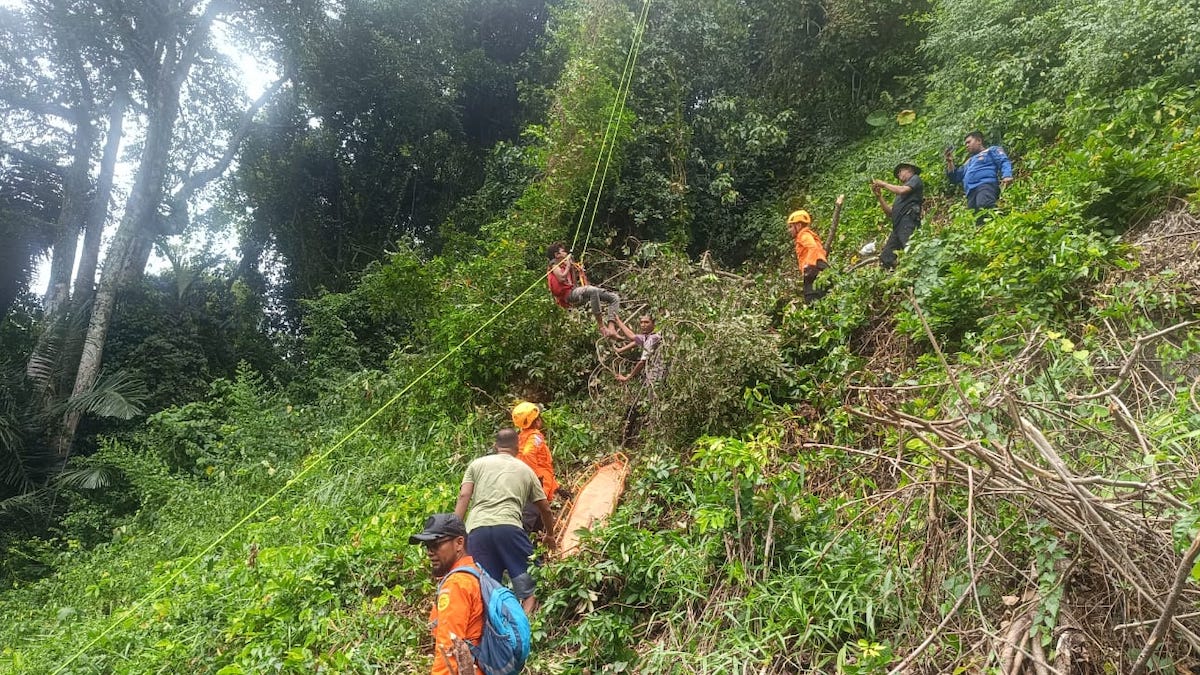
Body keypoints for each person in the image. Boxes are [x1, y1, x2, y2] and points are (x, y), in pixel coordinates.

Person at [454, 428, 555, 613]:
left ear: (495, 446)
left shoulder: (477, 465)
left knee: (486, 591)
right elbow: (545, 508)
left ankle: (490, 634)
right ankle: (525, 628)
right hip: (509, 529)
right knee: (533, 585)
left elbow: (464, 496)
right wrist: (550, 535)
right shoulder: (526, 471)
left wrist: (454, 533)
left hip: (476, 531)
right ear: (517, 446)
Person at [409, 513, 484, 675]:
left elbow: (449, 648)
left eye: (435, 544)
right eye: (427, 546)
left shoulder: (456, 584)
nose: (430, 552)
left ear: (459, 543)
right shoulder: (476, 571)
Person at [546, 242, 622, 337]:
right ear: (557, 255)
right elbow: (561, 278)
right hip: (567, 296)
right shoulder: (554, 264)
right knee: (592, 291)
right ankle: (601, 327)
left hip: (574, 292)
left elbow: (574, 284)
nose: (566, 253)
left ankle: (611, 328)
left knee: (614, 298)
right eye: (563, 251)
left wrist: (573, 267)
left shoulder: (565, 265)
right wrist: (569, 265)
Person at [511, 401, 563, 533]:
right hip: (536, 484)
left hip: (531, 482)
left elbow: (543, 465)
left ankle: (536, 547)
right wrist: (533, 480)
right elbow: (529, 456)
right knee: (528, 521)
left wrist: (557, 487)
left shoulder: (521, 437)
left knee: (537, 520)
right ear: (536, 421)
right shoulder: (534, 438)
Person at [945, 131, 1013, 223]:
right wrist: (950, 161)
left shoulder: (991, 150)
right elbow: (955, 177)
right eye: (965, 144)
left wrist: (1007, 175)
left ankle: (1002, 223)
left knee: (985, 205)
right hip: (970, 191)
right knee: (977, 217)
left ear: (979, 140)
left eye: (969, 142)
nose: (966, 145)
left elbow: (1003, 161)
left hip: (985, 184)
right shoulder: (968, 161)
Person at [871, 162, 924, 270]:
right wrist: (879, 197)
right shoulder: (899, 195)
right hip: (898, 226)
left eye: (900, 171)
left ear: (909, 169)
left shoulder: (915, 179)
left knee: (911, 250)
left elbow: (901, 190)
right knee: (886, 256)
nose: (899, 175)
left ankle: (918, 271)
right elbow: (890, 213)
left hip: (908, 221)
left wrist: (884, 184)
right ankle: (902, 272)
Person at [787, 209, 830, 301]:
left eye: (791, 227)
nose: (789, 230)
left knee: (812, 299)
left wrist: (808, 266)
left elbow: (812, 247)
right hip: (820, 267)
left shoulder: (804, 235)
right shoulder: (810, 235)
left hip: (814, 268)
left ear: (798, 226)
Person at [614, 314, 665, 388]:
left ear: (654, 323)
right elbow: (634, 338)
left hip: (656, 374)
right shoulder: (649, 336)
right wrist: (620, 350)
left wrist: (628, 377)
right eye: (641, 322)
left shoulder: (652, 338)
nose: (643, 325)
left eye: (646, 322)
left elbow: (642, 362)